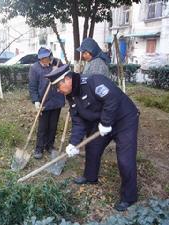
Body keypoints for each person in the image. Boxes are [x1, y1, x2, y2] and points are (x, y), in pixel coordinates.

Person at [45, 65, 140, 211]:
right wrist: (73, 144)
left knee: (125, 159)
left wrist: (107, 122)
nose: (58, 90)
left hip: (124, 120)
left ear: (68, 79)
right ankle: (90, 177)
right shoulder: (71, 96)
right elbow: (78, 121)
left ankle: (129, 197)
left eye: (58, 86)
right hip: (103, 122)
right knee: (92, 147)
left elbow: (112, 98)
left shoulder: (92, 81)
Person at [28, 47, 65, 159]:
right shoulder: (34, 68)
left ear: (50, 57)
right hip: (44, 101)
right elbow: (32, 86)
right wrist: (36, 101)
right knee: (42, 126)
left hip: (57, 100)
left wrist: (57, 70)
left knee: (53, 126)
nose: (43, 62)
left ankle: (49, 146)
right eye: (41, 59)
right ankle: (39, 148)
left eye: (45, 59)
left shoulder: (58, 63)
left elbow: (66, 76)